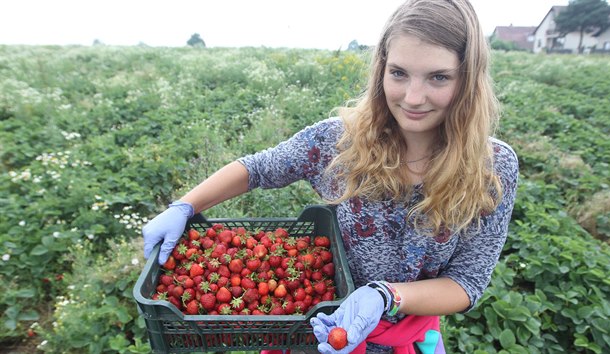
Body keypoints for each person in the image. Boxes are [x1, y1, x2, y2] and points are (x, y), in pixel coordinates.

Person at [142, 0, 519, 353]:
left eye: (438, 77)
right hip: (316, 330)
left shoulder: (492, 167)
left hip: (406, 337)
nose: (413, 97)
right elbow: (258, 168)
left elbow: (466, 284)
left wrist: (386, 295)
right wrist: (184, 204)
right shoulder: (340, 141)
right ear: (381, 69)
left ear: (468, 80)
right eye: (399, 73)